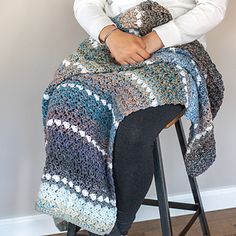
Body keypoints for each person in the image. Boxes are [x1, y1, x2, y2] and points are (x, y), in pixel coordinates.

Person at [72, 0, 228, 235]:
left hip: (177, 50)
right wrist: (112, 36)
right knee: (69, 103)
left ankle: (113, 229)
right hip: (112, 48)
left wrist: (154, 39)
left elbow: (213, 7)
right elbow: (85, 4)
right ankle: (78, 205)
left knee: (132, 128)